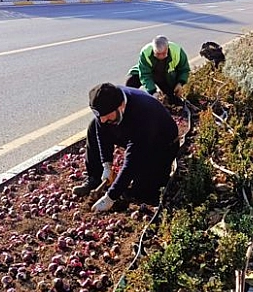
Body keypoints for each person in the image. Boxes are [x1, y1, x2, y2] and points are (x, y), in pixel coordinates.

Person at [74, 83, 180, 212]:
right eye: (100, 115)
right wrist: (106, 164)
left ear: (121, 106)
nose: (102, 120)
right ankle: (94, 179)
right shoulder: (106, 106)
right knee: (93, 126)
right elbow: (101, 132)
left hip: (161, 144)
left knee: (144, 191)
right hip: (131, 131)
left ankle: (131, 190)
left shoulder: (143, 114)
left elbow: (133, 159)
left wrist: (110, 197)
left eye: (107, 115)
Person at [125, 35, 190, 102]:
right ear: (153, 49)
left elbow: (184, 69)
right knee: (130, 85)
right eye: (158, 54)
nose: (161, 57)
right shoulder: (145, 52)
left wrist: (180, 83)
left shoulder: (177, 51)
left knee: (172, 98)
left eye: (164, 53)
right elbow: (145, 74)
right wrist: (153, 91)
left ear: (167, 48)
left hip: (165, 76)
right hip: (149, 73)